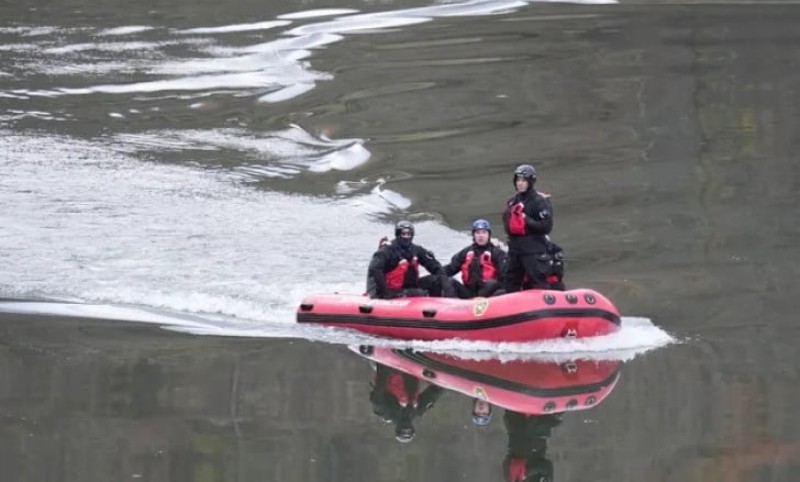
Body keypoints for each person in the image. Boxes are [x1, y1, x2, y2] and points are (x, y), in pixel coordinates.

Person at [501, 164, 563, 292]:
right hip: (515, 251)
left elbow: (546, 227)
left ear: (530, 182)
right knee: (510, 283)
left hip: (533, 251)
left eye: (523, 181)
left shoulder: (539, 202)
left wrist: (526, 220)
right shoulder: (512, 202)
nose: (520, 183)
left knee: (538, 283)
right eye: (518, 180)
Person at [366, 220, 454, 299]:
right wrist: (385, 292)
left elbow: (435, 267)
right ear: (397, 234)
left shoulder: (417, 250)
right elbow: (375, 270)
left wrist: (447, 288)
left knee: (437, 280)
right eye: (403, 234)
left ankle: (438, 306)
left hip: (409, 286)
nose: (406, 237)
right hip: (389, 289)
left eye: (409, 234)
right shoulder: (386, 251)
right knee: (418, 293)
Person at [369, 362, 445, 443]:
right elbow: (433, 393)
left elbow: (376, 399)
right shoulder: (416, 411)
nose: (406, 427)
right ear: (412, 428)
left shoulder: (388, 413)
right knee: (410, 399)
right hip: (413, 368)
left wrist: (384, 373)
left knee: (403, 398)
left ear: (397, 429)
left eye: (404, 430)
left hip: (390, 368)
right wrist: (443, 381)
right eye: (409, 430)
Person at [444, 219, 508, 299]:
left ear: (489, 235)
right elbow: (450, 268)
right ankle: (451, 306)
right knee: (449, 281)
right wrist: (436, 273)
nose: (481, 235)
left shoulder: (497, 253)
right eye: (477, 233)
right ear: (474, 235)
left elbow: (505, 275)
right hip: (468, 293)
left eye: (484, 232)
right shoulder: (466, 252)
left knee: (493, 283)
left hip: (488, 293)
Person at [502, 410, 563, 482]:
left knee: (517, 403)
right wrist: (526, 472)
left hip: (518, 430)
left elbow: (511, 464)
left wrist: (526, 472)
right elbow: (546, 466)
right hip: (539, 431)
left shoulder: (510, 478)